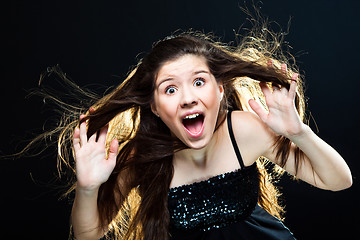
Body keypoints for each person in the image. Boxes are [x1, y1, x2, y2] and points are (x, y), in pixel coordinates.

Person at [55, 30, 352, 240]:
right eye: (170, 89)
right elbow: (87, 234)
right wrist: (88, 188)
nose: (188, 98)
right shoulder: (141, 158)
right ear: (155, 107)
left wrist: (299, 133)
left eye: (199, 82)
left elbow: (339, 181)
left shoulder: (243, 129)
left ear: (220, 90)